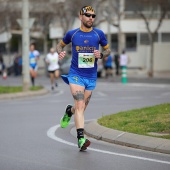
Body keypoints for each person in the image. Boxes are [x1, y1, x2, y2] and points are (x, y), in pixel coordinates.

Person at [56, 6, 111, 151]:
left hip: (91, 76)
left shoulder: (99, 34)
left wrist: (102, 55)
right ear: (80, 17)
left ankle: (69, 111)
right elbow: (59, 46)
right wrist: (60, 52)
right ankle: (81, 139)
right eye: (88, 15)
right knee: (80, 105)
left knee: (80, 108)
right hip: (76, 74)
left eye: (93, 16)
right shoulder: (72, 34)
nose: (91, 18)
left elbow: (108, 49)